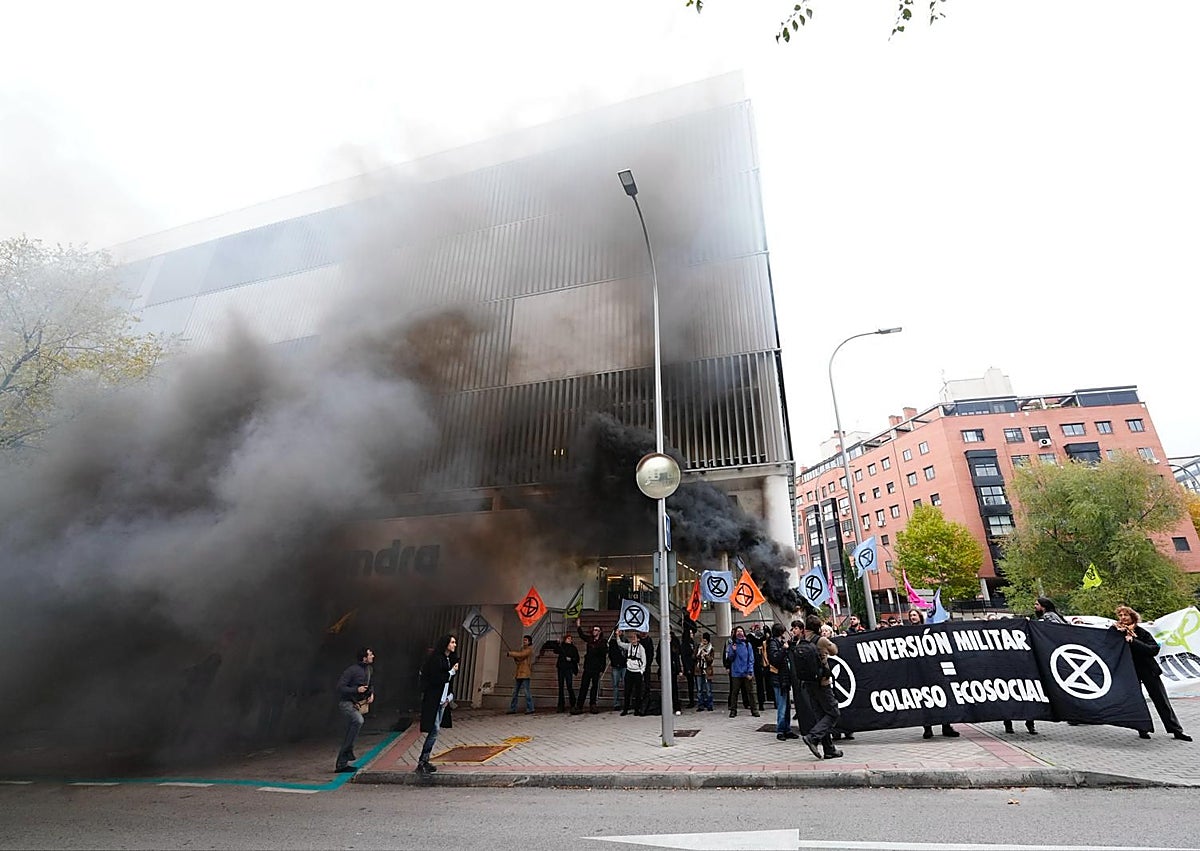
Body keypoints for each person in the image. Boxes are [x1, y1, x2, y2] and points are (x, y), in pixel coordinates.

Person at [1114, 605, 1192, 742]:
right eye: (1120, 615)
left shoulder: (1141, 632)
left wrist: (1134, 641)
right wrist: (1118, 633)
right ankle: (1142, 729)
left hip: (1148, 670)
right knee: (1136, 701)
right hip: (1130, 671)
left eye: (1125, 615)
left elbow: (1153, 649)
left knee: (1161, 700)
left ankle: (1176, 730)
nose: (1123, 618)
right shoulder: (1116, 632)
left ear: (1132, 616)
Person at [906, 609, 960, 739]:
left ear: (920, 616)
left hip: (934, 669)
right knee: (925, 699)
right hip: (920, 671)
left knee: (943, 697)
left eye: (914, 615)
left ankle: (946, 726)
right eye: (910, 615)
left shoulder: (929, 629)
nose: (913, 617)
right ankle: (927, 728)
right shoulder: (906, 632)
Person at [799, 615, 842, 759]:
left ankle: (829, 749)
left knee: (821, 716)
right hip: (822, 682)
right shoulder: (821, 640)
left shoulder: (802, 641)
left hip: (808, 683)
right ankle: (812, 737)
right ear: (818, 628)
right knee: (833, 712)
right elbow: (834, 651)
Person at [415, 635, 458, 775]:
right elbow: (437, 679)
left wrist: (449, 697)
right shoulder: (436, 659)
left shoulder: (448, 659)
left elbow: (448, 683)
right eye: (452, 642)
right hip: (433, 699)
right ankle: (423, 760)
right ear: (445, 644)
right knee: (434, 730)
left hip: (442, 700)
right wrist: (451, 672)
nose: (454, 645)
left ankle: (424, 760)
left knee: (435, 730)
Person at [334, 647, 374, 773]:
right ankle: (346, 755)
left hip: (358, 704)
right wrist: (356, 690)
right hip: (347, 703)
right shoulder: (351, 670)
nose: (373, 656)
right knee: (358, 720)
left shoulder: (369, 669)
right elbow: (340, 687)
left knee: (354, 727)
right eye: (370, 654)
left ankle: (343, 762)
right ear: (364, 658)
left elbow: (370, 684)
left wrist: (371, 694)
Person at [767, 623, 797, 741]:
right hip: (778, 679)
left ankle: (787, 729)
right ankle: (780, 730)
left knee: (787, 706)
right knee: (782, 705)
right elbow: (775, 659)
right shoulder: (773, 643)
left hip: (784, 678)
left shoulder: (780, 642)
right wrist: (783, 649)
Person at [725, 626, 759, 718]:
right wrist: (733, 650)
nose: (740, 633)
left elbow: (751, 659)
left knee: (750, 692)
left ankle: (754, 710)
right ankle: (733, 710)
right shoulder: (732, 645)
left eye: (741, 631)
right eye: (738, 631)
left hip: (746, 672)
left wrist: (750, 671)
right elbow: (730, 658)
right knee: (734, 692)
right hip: (736, 673)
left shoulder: (748, 645)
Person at [616, 631, 648, 716]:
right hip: (629, 671)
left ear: (638, 639)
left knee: (638, 692)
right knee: (627, 691)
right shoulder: (629, 646)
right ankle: (625, 709)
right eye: (632, 638)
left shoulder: (641, 648)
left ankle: (637, 709)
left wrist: (641, 670)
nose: (632, 639)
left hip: (637, 672)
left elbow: (644, 660)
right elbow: (620, 643)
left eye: (634, 638)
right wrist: (617, 636)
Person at [506, 635, 535, 714]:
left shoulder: (529, 649)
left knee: (526, 691)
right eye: (524, 640)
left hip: (525, 673)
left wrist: (511, 653)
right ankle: (513, 708)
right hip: (519, 673)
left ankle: (530, 708)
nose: (524, 641)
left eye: (526, 640)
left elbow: (521, 655)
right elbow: (519, 659)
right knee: (515, 692)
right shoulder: (522, 649)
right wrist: (515, 657)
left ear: (529, 641)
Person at [555, 633, 579, 713]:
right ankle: (561, 705)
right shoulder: (561, 646)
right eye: (568, 638)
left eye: (570, 638)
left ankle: (573, 703)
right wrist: (557, 643)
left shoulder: (573, 648)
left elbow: (577, 658)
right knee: (560, 686)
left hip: (569, 668)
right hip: (561, 668)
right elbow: (556, 651)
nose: (569, 640)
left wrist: (571, 659)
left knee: (569, 686)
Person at [748, 623, 769, 710]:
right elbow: (756, 641)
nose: (757, 629)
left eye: (758, 628)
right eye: (755, 627)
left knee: (761, 682)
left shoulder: (762, 636)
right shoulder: (750, 637)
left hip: (763, 660)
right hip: (754, 661)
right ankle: (757, 703)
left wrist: (766, 631)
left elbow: (764, 639)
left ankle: (762, 701)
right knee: (756, 683)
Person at [694, 632, 715, 711]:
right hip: (699, 669)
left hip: (707, 670)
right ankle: (700, 705)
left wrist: (705, 655)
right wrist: (699, 654)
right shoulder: (698, 647)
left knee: (708, 689)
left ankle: (710, 705)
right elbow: (694, 657)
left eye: (705, 641)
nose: (704, 642)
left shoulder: (711, 648)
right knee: (699, 689)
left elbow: (711, 660)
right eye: (703, 640)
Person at [607, 630, 626, 711]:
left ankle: (626, 702)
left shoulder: (625, 640)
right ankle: (616, 703)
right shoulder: (612, 642)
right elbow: (611, 653)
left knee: (626, 684)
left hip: (624, 665)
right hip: (615, 665)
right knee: (615, 685)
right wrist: (614, 662)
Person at [680, 626, 697, 709]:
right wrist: (687, 668)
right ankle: (691, 701)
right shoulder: (684, 645)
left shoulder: (692, 642)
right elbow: (684, 657)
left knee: (693, 683)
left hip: (694, 664)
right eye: (690, 633)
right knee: (690, 684)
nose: (692, 634)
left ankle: (693, 700)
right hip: (689, 665)